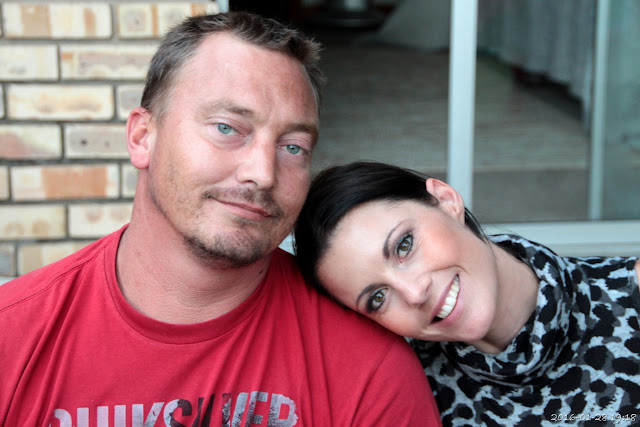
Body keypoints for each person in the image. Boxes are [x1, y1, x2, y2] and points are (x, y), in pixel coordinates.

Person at [0, 13, 441, 426]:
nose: (263, 174)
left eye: (293, 147)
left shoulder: (366, 366)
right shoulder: (12, 338)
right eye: (227, 128)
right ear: (142, 137)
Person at [294, 161, 640, 426]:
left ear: (446, 201)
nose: (413, 293)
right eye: (378, 298)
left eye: (404, 245)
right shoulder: (408, 395)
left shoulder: (632, 293)